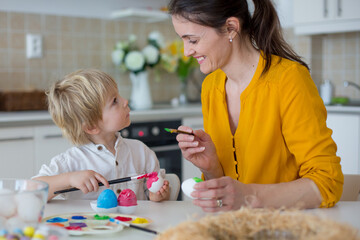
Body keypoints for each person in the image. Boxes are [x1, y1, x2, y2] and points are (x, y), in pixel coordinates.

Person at [169, 0, 343, 211]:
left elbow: (327, 183)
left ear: (231, 28)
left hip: (289, 227)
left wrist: (250, 196)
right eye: (184, 41)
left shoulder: (288, 80)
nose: (187, 51)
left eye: (193, 40)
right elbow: (231, 196)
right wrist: (212, 167)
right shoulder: (211, 87)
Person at [33, 69, 170, 202]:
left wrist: (159, 196)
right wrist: (69, 179)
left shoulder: (141, 151)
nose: (125, 101)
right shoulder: (71, 161)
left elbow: (158, 197)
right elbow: (30, 191)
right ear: (91, 126)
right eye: (114, 101)